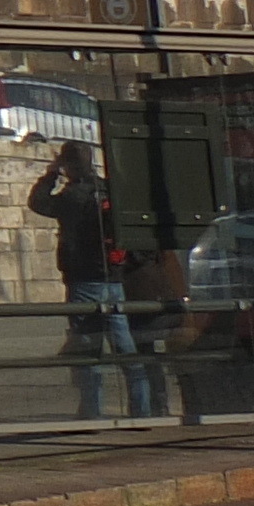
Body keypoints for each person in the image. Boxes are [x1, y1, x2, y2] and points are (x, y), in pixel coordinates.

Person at [28, 146, 155, 419]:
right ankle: (142, 410)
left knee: (86, 348)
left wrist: (51, 174)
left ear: (68, 165)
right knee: (124, 344)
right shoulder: (110, 192)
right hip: (114, 278)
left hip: (83, 280)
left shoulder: (72, 196)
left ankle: (91, 412)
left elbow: (38, 202)